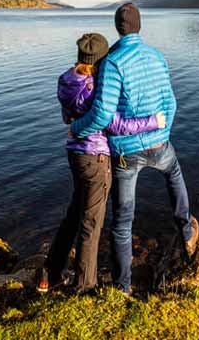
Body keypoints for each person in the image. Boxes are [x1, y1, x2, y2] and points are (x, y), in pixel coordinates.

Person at [69, 3, 199, 294]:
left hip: (125, 153)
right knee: (174, 175)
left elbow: (103, 115)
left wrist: (76, 128)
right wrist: (161, 134)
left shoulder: (113, 62)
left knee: (123, 221)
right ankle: (186, 230)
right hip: (159, 141)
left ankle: (123, 287)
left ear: (118, 28)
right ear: (139, 26)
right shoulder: (157, 56)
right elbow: (172, 103)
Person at [40, 32, 167, 294]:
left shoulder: (68, 80)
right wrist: (153, 122)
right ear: (100, 60)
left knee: (74, 215)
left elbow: (67, 118)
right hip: (96, 159)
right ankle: (85, 286)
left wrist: (75, 126)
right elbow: (115, 124)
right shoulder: (94, 89)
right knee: (91, 223)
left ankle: (50, 273)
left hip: (75, 155)